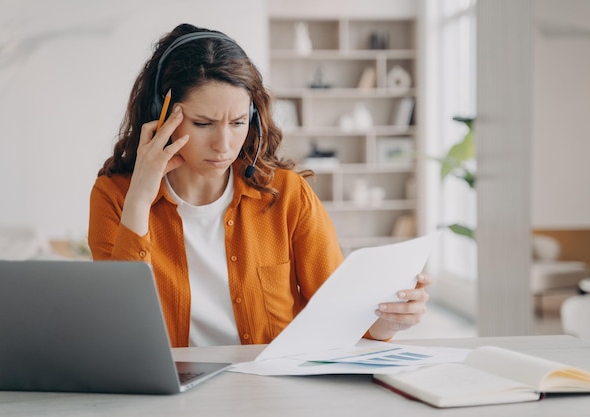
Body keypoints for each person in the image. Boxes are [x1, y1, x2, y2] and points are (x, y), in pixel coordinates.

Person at [88, 23, 432, 348]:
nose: (224, 145)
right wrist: (141, 197)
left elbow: (341, 314)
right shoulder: (114, 196)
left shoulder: (287, 194)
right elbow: (120, 332)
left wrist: (391, 319)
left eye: (238, 122)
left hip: (273, 392)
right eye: (203, 123)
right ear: (159, 117)